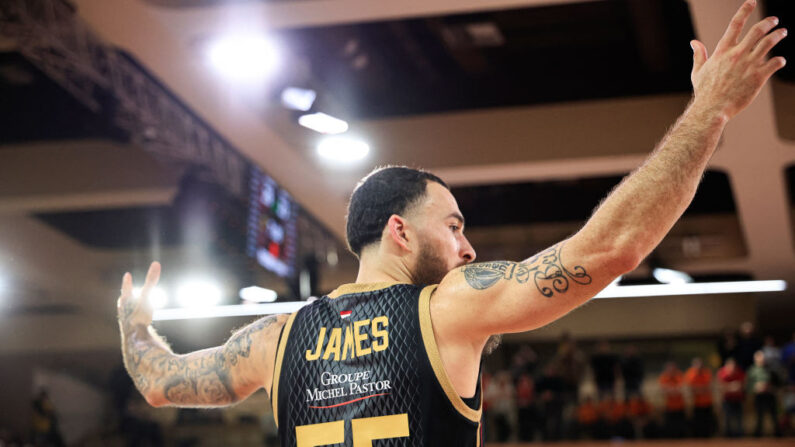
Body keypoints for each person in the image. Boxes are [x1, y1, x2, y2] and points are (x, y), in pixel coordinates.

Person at [116, 2, 787, 444]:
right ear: (399, 232)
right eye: (454, 225)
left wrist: (134, 323)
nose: (467, 247)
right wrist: (709, 113)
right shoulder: (444, 310)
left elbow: (158, 380)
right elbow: (610, 248)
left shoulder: (275, 340)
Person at [748, 350, 782, 437]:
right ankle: (758, 433)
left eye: (763, 358)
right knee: (760, 415)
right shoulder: (752, 370)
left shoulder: (770, 369)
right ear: (755, 359)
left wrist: (772, 388)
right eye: (759, 358)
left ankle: (777, 433)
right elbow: (748, 385)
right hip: (759, 396)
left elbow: (778, 383)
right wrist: (755, 388)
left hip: (770, 395)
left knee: (774, 415)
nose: (761, 360)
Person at [684, 357, 715, 437]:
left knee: (707, 421)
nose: (699, 366)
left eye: (700, 364)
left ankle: (707, 436)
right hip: (695, 402)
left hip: (707, 402)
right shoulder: (690, 374)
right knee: (697, 421)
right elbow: (689, 387)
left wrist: (698, 389)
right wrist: (701, 389)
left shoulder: (707, 373)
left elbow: (710, 386)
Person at [717, 357, 746, 437]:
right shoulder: (722, 372)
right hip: (727, 399)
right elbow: (721, 387)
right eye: (730, 366)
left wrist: (731, 387)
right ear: (727, 366)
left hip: (738, 399)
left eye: (734, 366)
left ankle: (739, 435)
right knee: (727, 418)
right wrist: (732, 386)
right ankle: (727, 435)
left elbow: (742, 385)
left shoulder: (739, 372)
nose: (732, 368)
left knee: (738, 418)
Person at [659, 362, 687, 438]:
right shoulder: (664, 377)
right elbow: (663, 390)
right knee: (670, 427)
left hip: (680, 406)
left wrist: (670, 390)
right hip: (669, 406)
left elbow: (682, 389)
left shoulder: (679, 375)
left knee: (680, 426)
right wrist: (674, 390)